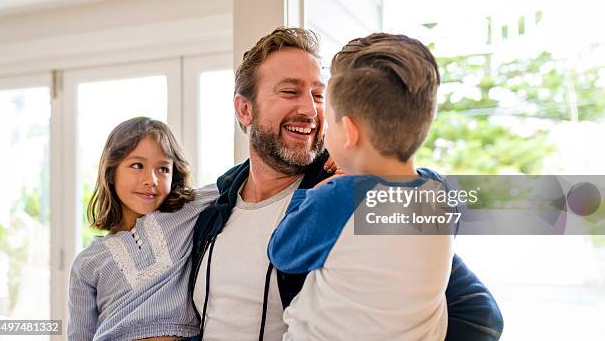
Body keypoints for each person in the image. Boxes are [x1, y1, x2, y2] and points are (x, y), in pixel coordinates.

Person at [189, 27, 504, 341]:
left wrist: (363, 174)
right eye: (289, 91)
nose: (311, 110)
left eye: (318, 95)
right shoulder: (210, 210)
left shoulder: (357, 198)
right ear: (245, 109)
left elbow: (481, 318)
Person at [267, 32, 453, 340]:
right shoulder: (438, 192)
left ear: (349, 132)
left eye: (330, 121)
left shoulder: (340, 197)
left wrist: (322, 190)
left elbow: (282, 252)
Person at [67, 117, 218, 340]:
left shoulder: (185, 214)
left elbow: (244, 177)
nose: (151, 179)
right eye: (137, 165)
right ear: (111, 172)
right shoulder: (87, 263)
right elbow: (79, 335)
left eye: (163, 169)